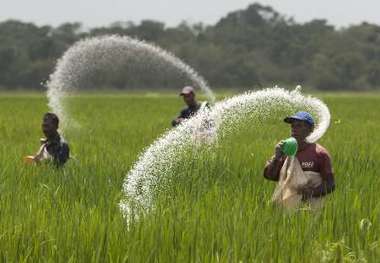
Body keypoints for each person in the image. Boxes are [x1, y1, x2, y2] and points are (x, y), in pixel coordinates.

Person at [263, 111, 335, 203]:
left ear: (310, 130)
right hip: (286, 210)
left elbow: (330, 184)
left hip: (310, 209)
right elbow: (270, 176)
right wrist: (277, 158)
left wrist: (311, 192)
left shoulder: (320, 154)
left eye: (299, 126)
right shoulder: (285, 151)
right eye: (293, 126)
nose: (294, 129)